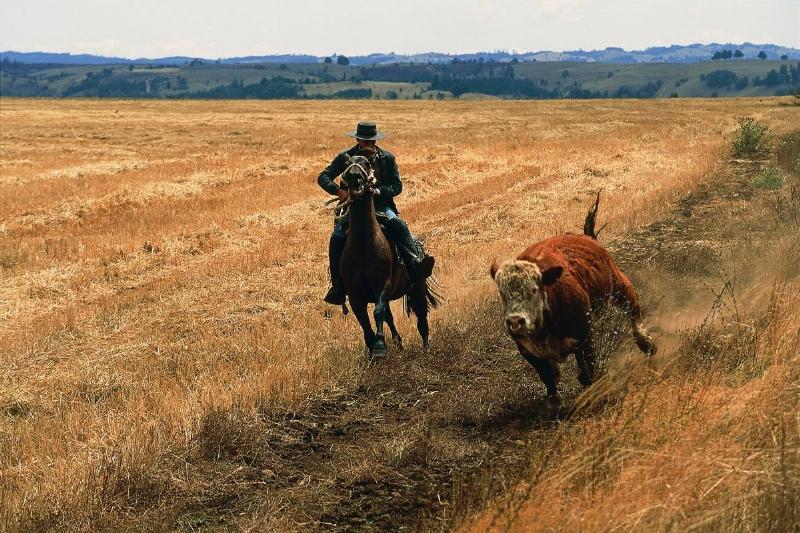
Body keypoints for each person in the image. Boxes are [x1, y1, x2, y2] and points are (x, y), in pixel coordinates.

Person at [318, 121, 435, 305]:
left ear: (375, 141)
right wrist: (339, 191)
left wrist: (378, 192)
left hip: (381, 207)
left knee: (400, 226)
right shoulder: (346, 157)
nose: (368, 145)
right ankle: (337, 286)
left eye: (371, 141)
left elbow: (397, 186)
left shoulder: (386, 158)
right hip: (353, 209)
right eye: (364, 141)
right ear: (357, 139)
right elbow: (323, 177)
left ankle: (415, 265)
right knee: (337, 237)